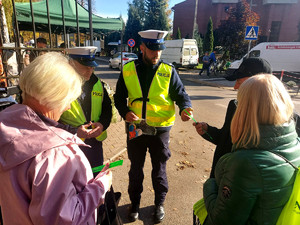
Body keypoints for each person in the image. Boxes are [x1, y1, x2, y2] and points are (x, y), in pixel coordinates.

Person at [0, 52, 112, 224]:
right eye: (67, 99)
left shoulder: (4, 123)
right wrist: (100, 187)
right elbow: (64, 219)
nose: (67, 107)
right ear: (53, 96)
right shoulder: (55, 155)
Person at [114, 29, 193, 223]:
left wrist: (186, 108)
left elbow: (181, 95)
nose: (156, 54)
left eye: (160, 50)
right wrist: (125, 112)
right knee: (135, 169)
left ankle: (159, 204)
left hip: (160, 130)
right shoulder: (128, 69)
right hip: (136, 128)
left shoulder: (168, 70)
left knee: (159, 169)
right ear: (142, 48)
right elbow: (118, 98)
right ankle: (134, 203)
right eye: (152, 50)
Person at [202, 74, 300, 225]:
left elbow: (221, 220)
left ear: (245, 110)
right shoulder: (295, 143)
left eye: (239, 103)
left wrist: (210, 184)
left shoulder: (246, 163)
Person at [193, 57, 272, 178]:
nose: (235, 87)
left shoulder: (281, 118)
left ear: (258, 84)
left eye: (240, 82)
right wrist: (208, 130)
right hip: (222, 180)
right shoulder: (234, 106)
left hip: (244, 188)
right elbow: (225, 141)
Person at [59, 46, 112, 175]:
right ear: (71, 63)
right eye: (85, 66)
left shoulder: (97, 83)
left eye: (92, 66)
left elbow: (107, 109)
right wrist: (74, 131)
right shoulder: (60, 86)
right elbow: (49, 120)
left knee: (96, 175)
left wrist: (102, 125)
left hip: (95, 143)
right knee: (75, 179)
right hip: (70, 144)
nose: (90, 70)